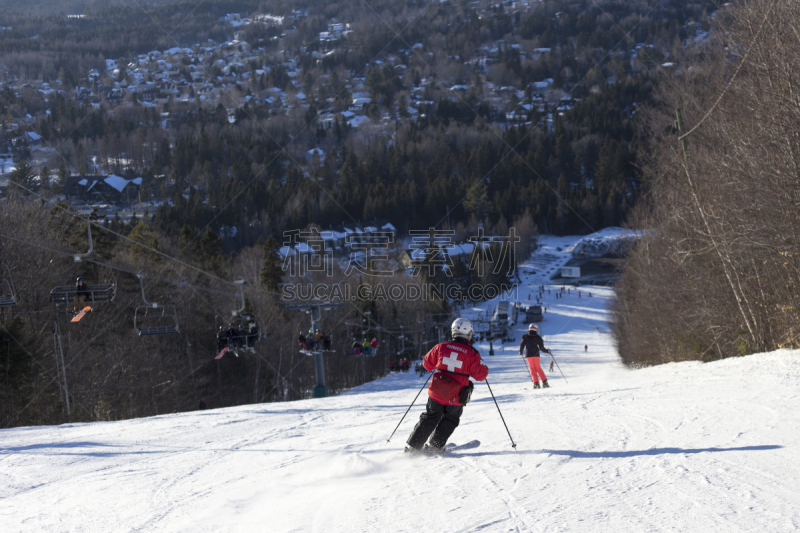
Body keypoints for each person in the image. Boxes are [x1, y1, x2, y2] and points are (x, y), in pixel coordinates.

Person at [405, 318, 489, 453]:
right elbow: (480, 375)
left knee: (431, 416)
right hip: (456, 396)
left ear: (453, 332)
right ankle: (435, 446)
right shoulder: (471, 353)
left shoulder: (441, 346)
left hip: (437, 392)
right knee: (450, 419)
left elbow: (427, 364)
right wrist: (483, 366)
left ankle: (413, 447)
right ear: (469, 333)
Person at [520, 323, 551, 389]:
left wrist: (521, 351)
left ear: (529, 328)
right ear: (536, 329)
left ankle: (536, 383)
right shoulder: (538, 337)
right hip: (536, 354)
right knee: (538, 368)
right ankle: (545, 382)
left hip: (528, 355)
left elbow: (522, 345)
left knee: (532, 369)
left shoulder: (525, 337)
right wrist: (547, 351)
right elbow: (542, 348)